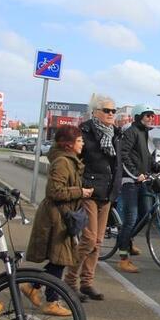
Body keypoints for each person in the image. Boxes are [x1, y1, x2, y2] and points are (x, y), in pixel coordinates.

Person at [25, 124, 93, 316]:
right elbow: (54, 191)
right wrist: (81, 192)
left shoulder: (68, 160)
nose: (82, 144)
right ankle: (50, 300)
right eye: (79, 141)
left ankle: (34, 287)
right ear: (68, 144)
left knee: (59, 259)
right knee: (59, 259)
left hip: (61, 215)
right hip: (57, 217)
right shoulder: (63, 162)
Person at [65, 95, 122, 301]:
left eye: (113, 111)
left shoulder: (116, 134)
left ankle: (87, 282)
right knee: (88, 239)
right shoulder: (85, 131)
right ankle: (70, 281)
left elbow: (117, 164)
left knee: (97, 241)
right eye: (106, 110)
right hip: (89, 191)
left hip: (106, 193)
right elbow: (74, 159)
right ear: (95, 112)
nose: (110, 114)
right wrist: (78, 187)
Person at [116, 104, 160, 273]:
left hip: (141, 180)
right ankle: (123, 258)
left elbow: (149, 159)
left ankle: (127, 241)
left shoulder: (146, 135)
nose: (151, 118)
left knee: (145, 215)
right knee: (131, 217)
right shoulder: (131, 132)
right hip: (130, 181)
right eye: (147, 115)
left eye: (152, 115)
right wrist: (135, 174)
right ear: (138, 117)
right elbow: (123, 155)